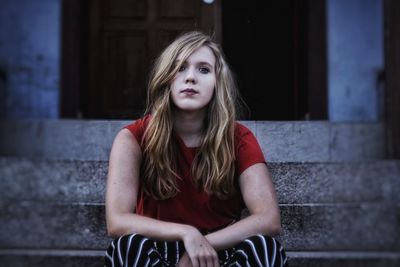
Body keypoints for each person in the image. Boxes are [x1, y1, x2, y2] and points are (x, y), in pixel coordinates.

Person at [104, 31, 287, 267]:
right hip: (157, 249)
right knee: (127, 247)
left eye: (203, 69)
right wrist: (187, 234)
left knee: (264, 248)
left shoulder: (238, 138)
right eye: (180, 68)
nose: (190, 77)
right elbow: (117, 221)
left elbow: (269, 219)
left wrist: (202, 243)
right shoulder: (133, 138)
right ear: (166, 77)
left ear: (217, 83)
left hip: (218, 248)